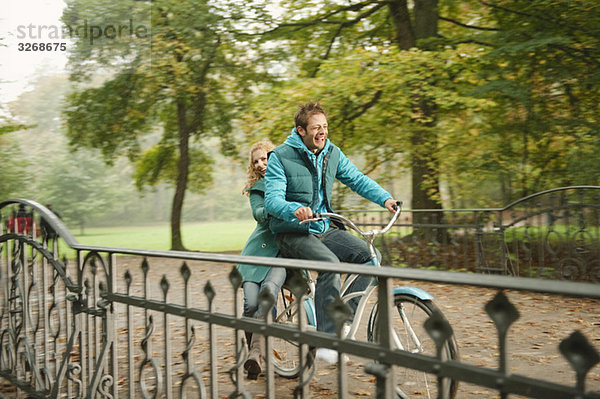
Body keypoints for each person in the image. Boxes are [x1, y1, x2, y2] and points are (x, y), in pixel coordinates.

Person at [264, 102, 399, 364]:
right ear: (301, 130)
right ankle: (327, 341)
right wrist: (296, 210)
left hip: (325, 227)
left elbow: (357, 179)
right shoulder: (280, 156)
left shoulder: (331, 152)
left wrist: (385, 199)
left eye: (325, 127)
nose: (322, 132)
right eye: (316, 128)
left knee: (371, 257)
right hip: (293, 231)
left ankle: (342, 321)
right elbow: (272, 201)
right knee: (330, 264)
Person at [236, 140, 287, 379]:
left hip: (281, 253)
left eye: (264, 158)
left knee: (267, 295)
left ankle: (255, 354)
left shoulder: (286, 179)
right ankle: (253, 356)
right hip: (256, 253)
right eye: (256, 161)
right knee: (251, 305)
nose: (260, 164)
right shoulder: (257, 188)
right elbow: (259, 214)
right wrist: (274, 206)